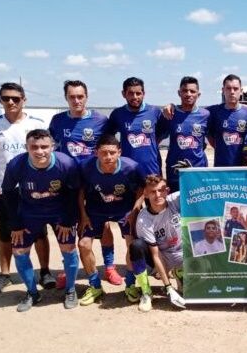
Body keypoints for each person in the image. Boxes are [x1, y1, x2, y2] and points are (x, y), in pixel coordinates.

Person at [0, 82, 53, 294]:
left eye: (16, 98)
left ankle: (45, 272)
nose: (11, 102)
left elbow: (47, 154)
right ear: (0, 100)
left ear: (24, 100)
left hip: (35, 190)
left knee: (39, 233)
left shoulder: (37, 123)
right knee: (6, 234)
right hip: (5, 191)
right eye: (5, 98)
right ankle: (4, 274)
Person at [49, 80, 121, 287]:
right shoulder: (57, 120)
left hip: (95, 181)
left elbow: (111, 145)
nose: (76, 100)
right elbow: (51, 146)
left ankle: (109, 267)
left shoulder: (100, 120)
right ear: (66, 98)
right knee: (68, 226)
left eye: (80, 96)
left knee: (104, 224)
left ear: (86, 97)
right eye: (72, 96)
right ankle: (68, 266)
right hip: (68, 183)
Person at [1, 129, 80, 311]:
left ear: (52, 146)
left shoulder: (66, 163)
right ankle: (32, 292)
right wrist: (15, 223)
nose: (40, 151)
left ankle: (70, 289)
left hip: (59, 212)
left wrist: (69, 220)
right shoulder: (16, 164)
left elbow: (73, 193)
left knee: (68, 248)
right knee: (19, 251)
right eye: (34, 147)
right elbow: (9, 193)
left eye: (44, 146)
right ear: (26, 147)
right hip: (30, 212)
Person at [77, 134, 144, 306]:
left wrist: (135, 211)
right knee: (83, 244)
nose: (108, 157)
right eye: (104, 153)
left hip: (124, 210)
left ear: (119, 152)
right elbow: (80, 191)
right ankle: (95, 285)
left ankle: (130, 285)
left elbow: (142, 189)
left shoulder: (132, 167)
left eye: (112, 153)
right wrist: (83, 215)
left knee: (132, 244)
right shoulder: (86, 167)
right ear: (96, 153)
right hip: (95, 210)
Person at [129, 174, 186, 312]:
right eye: (153, 192)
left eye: (161, 190)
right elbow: (155, 255)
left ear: (167, 190)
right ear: (146, 194)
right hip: (162, 257)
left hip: (184, 253)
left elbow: (200, 188)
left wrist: (189, 173)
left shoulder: (175, 200)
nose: (158, 195)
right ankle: (146, 292)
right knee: (136, 246)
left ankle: (180, 273)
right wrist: (168, 287)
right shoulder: (144, 219)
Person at [107, 77, 168, 176]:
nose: (135, 97)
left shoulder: (155, 112)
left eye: (138, 93)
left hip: (152, 169)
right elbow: (109, 137)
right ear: (124, 94)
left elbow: (163, 133)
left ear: (143, 94)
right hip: (126, 170)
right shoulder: (117, 114)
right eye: (130, 93)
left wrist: (153, 142)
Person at [164, 76, 211, 192]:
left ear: (198, 94)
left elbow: (213, 140)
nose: (188, 94)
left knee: (198, 205)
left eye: (192, 91)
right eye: (185, 91)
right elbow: (157, 139)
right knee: (175, 205)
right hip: (175, 169)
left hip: (198, 169)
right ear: (179, 93)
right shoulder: (170, 114)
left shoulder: (206, 115)